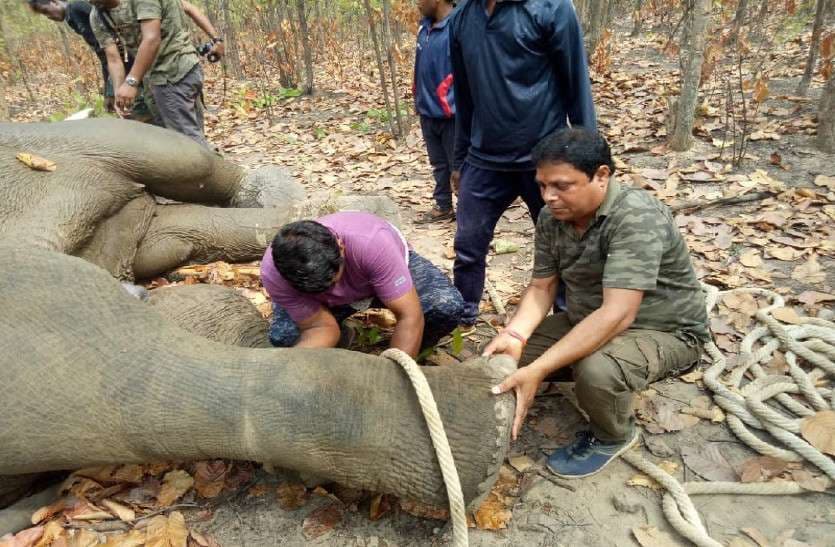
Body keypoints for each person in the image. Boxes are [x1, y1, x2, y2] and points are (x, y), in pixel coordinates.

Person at [484, 128, 710, 479]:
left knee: (597, 371)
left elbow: (618, 314)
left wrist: (542, 368)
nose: (548, 197)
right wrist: (515, 334)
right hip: (587, 316)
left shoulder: (635, 216)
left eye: (562, 185)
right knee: (503, 360)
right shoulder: (551, 218)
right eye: (542, 186)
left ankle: (613, 434)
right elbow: (542, 288)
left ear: (601, 175)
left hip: (666, 330)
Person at [449, 0, 597, 328]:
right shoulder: (462, 17)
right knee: (468, 244)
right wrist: (458, 161)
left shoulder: (551, 9)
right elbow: (464, 96)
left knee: (564, 247)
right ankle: (462, 315)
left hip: (545, 159)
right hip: (484, 157)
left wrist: (590, 160)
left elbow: (576, 84)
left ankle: (567, 321)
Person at [260, 212, 465, 358]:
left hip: (377, 278)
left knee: (445, 306)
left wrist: (394, 377)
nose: (332, 291)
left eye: (332, 282)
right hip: (324, 306)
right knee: (285, 339)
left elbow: (410, 316)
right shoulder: (275, 273)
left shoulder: (373, 243)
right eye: (320, 289)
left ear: (341, 248)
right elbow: (319, 327)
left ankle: (414, 351)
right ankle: (342, 336)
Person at [90, 0, 224, 147]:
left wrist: (131, 82)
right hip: (154, 80)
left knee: (187, 144)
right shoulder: (98, 16)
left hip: (176, 71)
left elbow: (152, 39)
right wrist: (119, 93)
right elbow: (114, 59)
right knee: (178, 138)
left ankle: (222, 169)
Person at [27, 0, 115, 112]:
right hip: (114, 64)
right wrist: (108, 90)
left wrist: (112, 89)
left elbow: (111, 36)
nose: (48, 17)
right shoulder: (71, 17)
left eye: (46, 11)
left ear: (54, 2)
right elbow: (103, 54)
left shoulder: (76, 8)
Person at [413, 0, 456, 224]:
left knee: (458, 165)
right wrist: (417, 98)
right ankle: (443, 206)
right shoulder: (424, 28)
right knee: (438, 164)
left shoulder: (457, 27)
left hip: (452, 115)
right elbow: (418, 67)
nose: (417, 3)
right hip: (428, 111)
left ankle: (469, 209)